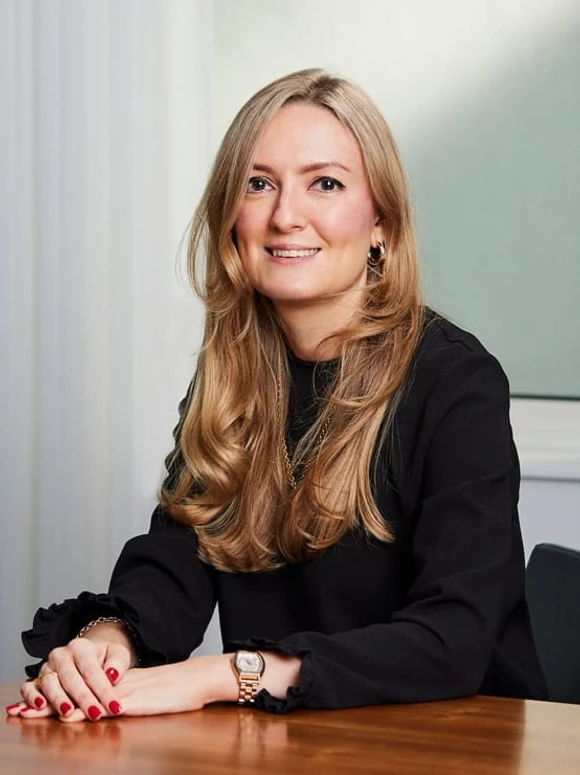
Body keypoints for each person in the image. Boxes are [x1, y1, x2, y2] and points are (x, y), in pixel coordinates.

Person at [6, 68, 547, 723]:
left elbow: (454, 640)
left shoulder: (457, 381)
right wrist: (107, 649)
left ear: (381, 221)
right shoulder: (232, 377)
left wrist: (227, 674)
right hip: (294, 742)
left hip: (456, 741)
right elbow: (174, 569)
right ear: (231, 216)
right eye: (259, 184)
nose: (286, 216)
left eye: (326, 183)